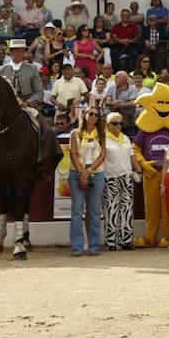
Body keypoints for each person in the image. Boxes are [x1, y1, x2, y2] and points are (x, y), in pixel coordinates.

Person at [67, 109, 106, 256]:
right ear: (85, 115)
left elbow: (103, 155)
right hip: (77, 171)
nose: (94, 117)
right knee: (77, 211)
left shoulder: (101, 133)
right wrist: (82, 172)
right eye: (91, 114)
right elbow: (73, 154)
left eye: (96, 115)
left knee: (95, 211)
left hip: (96, 172)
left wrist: (88, 172)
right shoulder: (75, 133)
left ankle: (94, 246)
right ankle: (77, 246)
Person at [101, 112, 141, 250]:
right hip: (111, 177)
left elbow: (132, 155)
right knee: (111, 209)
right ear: (107, 124)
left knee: (127, 209)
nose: (118, 126)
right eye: (115, 123)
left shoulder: (125, 138)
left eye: (120, 123)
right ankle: (111, 241)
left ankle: (126, 240)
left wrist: (138, 170)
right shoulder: (103, 139)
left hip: (127, 177)